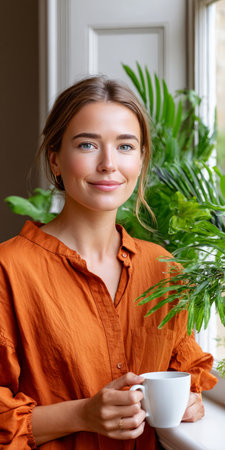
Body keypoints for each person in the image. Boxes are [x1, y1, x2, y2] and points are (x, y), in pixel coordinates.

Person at [0, 76, 217, 450]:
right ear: (55, 158)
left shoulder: (163, 267)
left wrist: (189, 402)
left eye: (125, 146)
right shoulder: (9, 269)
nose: (108, 164)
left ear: (141, 159)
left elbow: (186, 369)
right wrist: (84, 414)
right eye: (87, 144)